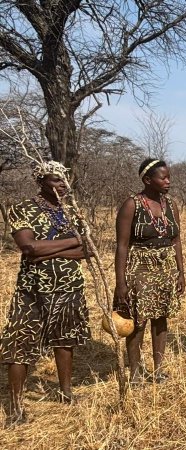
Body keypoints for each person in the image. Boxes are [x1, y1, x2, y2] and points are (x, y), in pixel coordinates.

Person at [0, 161, 91, 423]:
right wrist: (74, 241)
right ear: (41, 182)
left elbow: (88, 250)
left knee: (64, 340)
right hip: (33, 289)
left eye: (64, 180)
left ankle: (66, 392)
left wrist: (47, 248)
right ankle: (16, 407)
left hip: (70, 286)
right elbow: (28, 248)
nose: (62, 185)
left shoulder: (72, 212)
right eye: (55, 180)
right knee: (19, 344)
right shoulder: (22, 209)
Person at [114, 158, 185, 384]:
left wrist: (180, 272)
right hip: (140, 268)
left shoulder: (171, 205)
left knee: (161, 318)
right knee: (138, 319)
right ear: (147, 180)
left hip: (165, 268)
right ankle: (135, 371)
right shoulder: (132, 205)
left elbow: (176, 240)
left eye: (169, 177)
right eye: (163, 177)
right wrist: (121, 282)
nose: (168, 181)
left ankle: (158, 369)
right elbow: (122, 246)